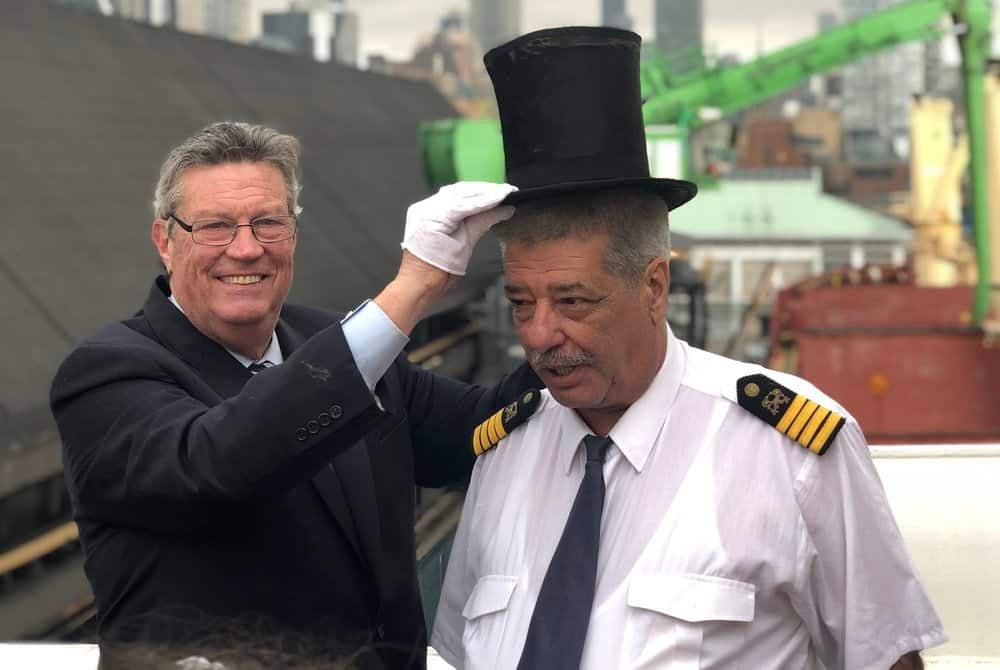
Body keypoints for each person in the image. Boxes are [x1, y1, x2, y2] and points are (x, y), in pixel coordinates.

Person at [431, 27, 943, 670]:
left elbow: (885, 659)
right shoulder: (505, 453)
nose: (538, 335)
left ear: (653, 285)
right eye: (520, 304)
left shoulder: (790, 452)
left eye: (573, 302)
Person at [49, 121, 539, 669]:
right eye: (214, 227)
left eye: (268, 224)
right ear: (165, 242)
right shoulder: (108, 373)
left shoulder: (336, 343)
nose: (246, 249)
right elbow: (219, 464)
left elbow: (479, 435)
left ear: (293, 235)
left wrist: (571, 320)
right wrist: (412, 288)